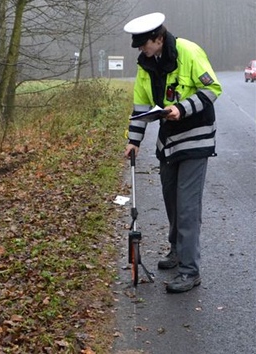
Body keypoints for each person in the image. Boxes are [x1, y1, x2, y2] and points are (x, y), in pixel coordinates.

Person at [122, 12, 222, 293]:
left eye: (144, 44)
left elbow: (213, 87)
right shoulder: (146, 65)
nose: (141, 49)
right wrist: (134, 141)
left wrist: (183, 108)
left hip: (195, 137)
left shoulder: (189, 52)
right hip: (168, 141)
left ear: (159, 38)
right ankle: (177, 251)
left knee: (188, 207)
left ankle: (190, 271)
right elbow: (141, 108)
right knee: (172, 200)